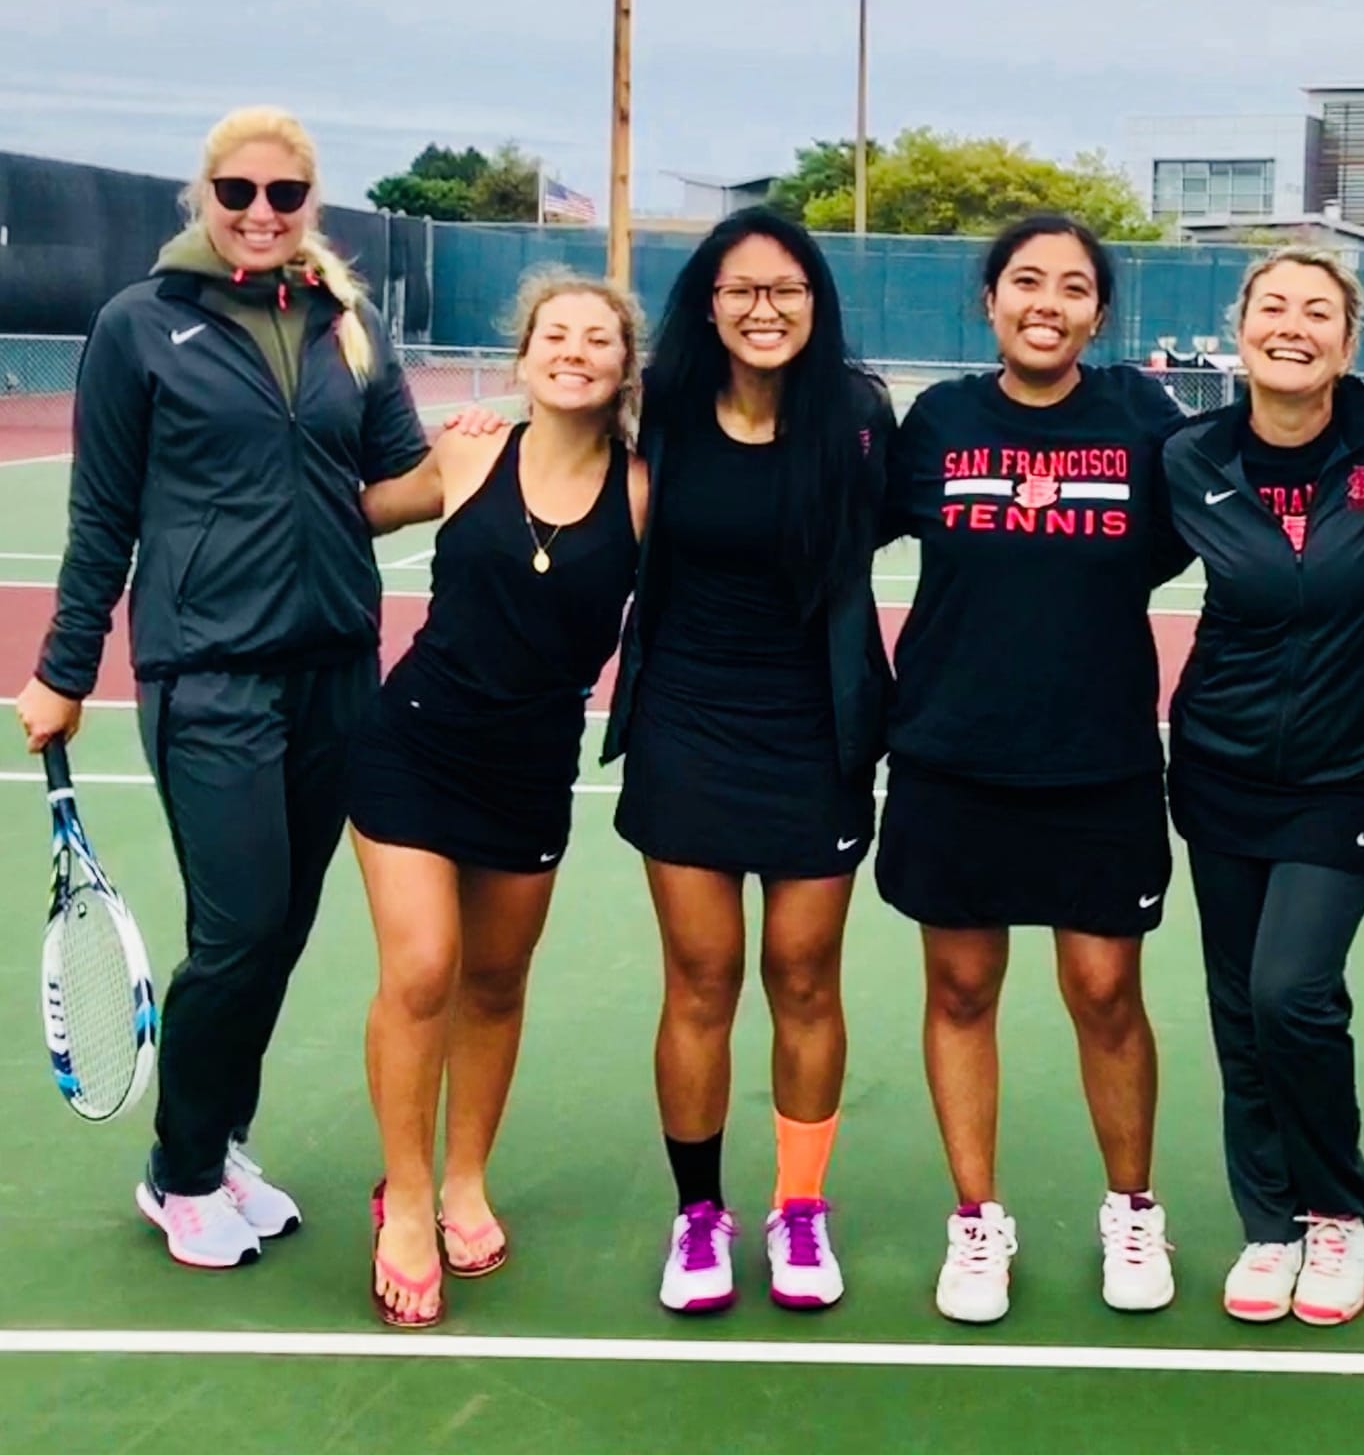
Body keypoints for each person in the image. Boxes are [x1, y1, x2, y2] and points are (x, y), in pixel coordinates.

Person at [13, 107, 433, 1269]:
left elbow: (398, 475)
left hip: (337, 669)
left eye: (283, 192)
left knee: (282, 931)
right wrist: (60, 669)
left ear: (311, 202)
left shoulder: (350, 324)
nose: (259, 210)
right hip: (208, 675)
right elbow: (101, 513)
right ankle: (182, 1169)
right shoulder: (139, 325)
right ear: (203, 193)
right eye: (237, 188)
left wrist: (524, 448)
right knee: (240, 927)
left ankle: (221, 1133)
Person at [877, 213, 1190, 1324]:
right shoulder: (940, 421)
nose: (1044, 300)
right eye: (1024, 280)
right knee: (959, 988)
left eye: (1070, 285)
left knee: (1106, 993)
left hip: (1096, 757)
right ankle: (975, 1220)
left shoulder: (1142, 419)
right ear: (990, 300)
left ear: (1097, 312)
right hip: (951, 755)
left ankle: (1131, 1205)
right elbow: (832, 525)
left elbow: (1192, 535)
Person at [602, 209, 894, 1316]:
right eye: (741, 288)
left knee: (805, 975)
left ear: (814, 305)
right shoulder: (661, 412)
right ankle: (698, 1214)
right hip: (685, 724)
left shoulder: (858, 416)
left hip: (814, 730)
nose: (763, 308)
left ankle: (800, 1209)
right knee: (702, 975)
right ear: (709, 302)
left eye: (786, 289)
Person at [346, 274, 645, 1327]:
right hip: (413, 742)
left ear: (622, 367)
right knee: (422, 968)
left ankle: (465, 1173)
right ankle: (410, 1195)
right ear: (522, 358)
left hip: (530, 767)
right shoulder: (470, 450)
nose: (573, 349)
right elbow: (349, 513)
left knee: (496, 983)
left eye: (597, 338)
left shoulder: (644, 491)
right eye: (553, 333)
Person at [1162, 248, 1364, 1328]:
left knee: (1290, 990)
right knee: (1238, 1007)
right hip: (1218, 763)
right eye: (1272, 304)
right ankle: (1266, 1222)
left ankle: (1334, 1209)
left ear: (1347, 342)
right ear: (1239, 329)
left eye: (1317, 310)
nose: (1291, 324)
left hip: (1352, 768)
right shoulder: (1186, 453)